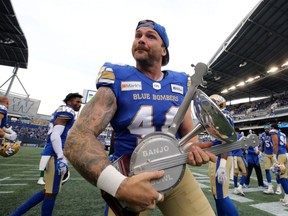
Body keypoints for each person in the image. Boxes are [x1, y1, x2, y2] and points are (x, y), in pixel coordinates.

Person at [64, 20, 217, 216]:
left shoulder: (180, 82)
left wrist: (193, 148)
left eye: (150, 36)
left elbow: (189, 135)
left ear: (164, 50)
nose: (141, 40)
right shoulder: (119, 77)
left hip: (174, 171)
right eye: (138, 35)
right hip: (130, 175)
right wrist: (120, 185)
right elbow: (77, 138)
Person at [11, 93, 83, 216]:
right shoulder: (67, 110)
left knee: (50, 191)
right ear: (69, 101)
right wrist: (60, 157)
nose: (79, 104)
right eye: (77, 102)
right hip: (54, 156)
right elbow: (55, 134)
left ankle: (15, 214)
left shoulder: (65, 110)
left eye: (80, 102)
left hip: (53, 154)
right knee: (50, 192)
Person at [208, 94, 239, 216]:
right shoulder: (221, 115)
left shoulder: (222, 115)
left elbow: (225, 140)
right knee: (216, 194)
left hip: (221, 156)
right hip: (218, 155)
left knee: (221, 195)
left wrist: (222, 164)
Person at [269, 123, 288, 206]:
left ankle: (287, 196)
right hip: (285, 154)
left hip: (280, 155)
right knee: (285, 176)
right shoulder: (283, 134)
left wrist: (274, 155)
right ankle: (286, 197)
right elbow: (286, 145)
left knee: (281, 176)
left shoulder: (273, 132)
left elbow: (276, 144)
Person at [260, 125, 281, 194]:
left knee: (277, 170)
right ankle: (270, 187)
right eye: (266, 129)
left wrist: (275, 154)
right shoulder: (263, 135)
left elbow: (276, 144)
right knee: (267, 170)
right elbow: (263, 144)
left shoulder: (273, 134)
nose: (267, 130)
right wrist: (261, 151)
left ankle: (278, 187)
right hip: (266, 154)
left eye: (268, 129)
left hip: (273, 154)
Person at [232, 127, 248, 196]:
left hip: (233, 156)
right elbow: (244, 146)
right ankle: (240, 187)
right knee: (245, 172)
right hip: (239, 156)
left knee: (235, 173)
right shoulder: (240, 136)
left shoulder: (231, 137)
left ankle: (235, 188)